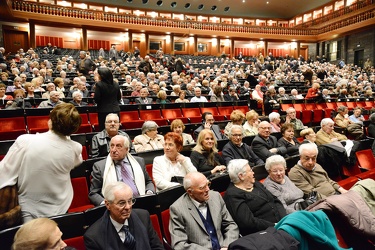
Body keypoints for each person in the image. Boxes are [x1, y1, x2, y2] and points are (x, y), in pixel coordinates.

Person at [0, 103, 82, 222]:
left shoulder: (25, 141)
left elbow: (4, 170)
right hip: (61, 208)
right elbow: (75, 160)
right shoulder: (76, 148)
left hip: (28, 209)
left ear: (51, 121)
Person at [169, 172, 239, 249]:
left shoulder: (216, 196)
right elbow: (179, 244)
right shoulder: (177, 209)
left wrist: (226, 245)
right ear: (190, 192)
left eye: (208, 184)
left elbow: (231, 225)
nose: (208, 189)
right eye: (202, 188)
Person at [84, 182, 164, 250]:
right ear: (108, 205)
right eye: (121, 203)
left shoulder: (143, 217)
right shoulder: (93, 237)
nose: (128, 207)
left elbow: (157, 247)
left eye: (130, 201)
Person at [224, 159, 286, 236]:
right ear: (241, 176)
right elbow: (248, 222)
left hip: (280, 224)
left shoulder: (256, 183)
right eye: (250, 170)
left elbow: (275, 200)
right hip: (263, 233)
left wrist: (284, 219)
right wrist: (274, 225)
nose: (253, 173)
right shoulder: (232, 195)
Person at [89, 135, 154, 205]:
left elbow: (148, 182)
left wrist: (149, 194)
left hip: (141, 202)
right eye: (112, 146)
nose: (113, 150)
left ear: (126, 149)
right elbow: (93, 193)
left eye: (118, 146)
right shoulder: (100, 166)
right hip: (116, 208)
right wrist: (106, 205)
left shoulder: (139, 161)